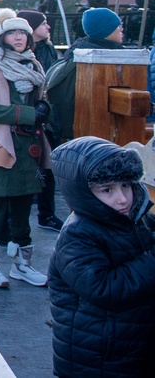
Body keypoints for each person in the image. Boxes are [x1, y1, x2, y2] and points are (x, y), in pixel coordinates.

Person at [49, 136, 155, 376]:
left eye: (125, 185)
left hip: (130, 350)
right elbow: (104, 289)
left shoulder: (132, 219)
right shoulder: (77, 235)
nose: (122, 198)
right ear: (83, 193)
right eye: (107, 190)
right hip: (96, 359)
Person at [0, 9, 50, 289]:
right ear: (1, 38)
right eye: (13, 32)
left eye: (22, 33)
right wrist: (31, 114)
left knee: (22, 205)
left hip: (28, 146)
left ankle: (21, 265)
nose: (18, 37)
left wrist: (44, 107)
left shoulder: (34, 68)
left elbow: (42, 100)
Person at [49, 7, 124, 145]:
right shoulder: (96, 61)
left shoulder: (76, 55)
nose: (121, 29)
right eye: (117, 26)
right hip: (98, 134)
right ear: (105, 30)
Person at [17, 9, 63, 233]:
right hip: (23, 120)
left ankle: (47, 214)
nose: (48, 27)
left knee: (47, 167)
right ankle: (15, 222)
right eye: (43, 23)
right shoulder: (23, 55)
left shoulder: (48, 50)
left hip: (44, 120)